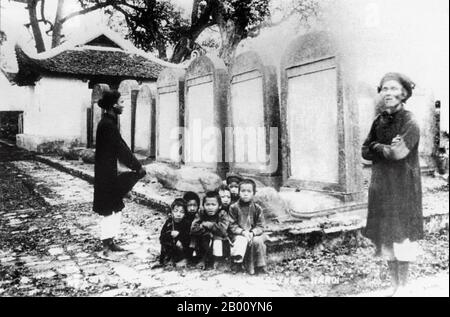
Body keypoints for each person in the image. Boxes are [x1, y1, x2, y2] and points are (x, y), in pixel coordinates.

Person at [362, 72, 423, 296]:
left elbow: (398, 153)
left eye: (393, 89)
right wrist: (381, 147)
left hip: (403, 188)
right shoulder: (379, 120)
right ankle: (394, 285)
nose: (388, 93)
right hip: (381, 188)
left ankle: (404, 287)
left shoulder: (410, 122)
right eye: (385, 89)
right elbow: (364, 151)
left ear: (404, 93)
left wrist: (378, 147)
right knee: (385, 235)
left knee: (402, 236)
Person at [93, 90, 146, 256]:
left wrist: (135, 165)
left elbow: (121, 146)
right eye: (121, 102)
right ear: (113, 105)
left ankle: (110, 240)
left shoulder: (109, 122)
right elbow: (120, 149)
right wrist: (137, 167)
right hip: (107, 173)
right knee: (109, 207)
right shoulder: (108, 124)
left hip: (108, 171)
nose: (123, 106)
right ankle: (106, 244)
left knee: (114, 206)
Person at [228, 179, 267, 275]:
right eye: (243, 191)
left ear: (253, 193)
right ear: (238, 192)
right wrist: (242, 232)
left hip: (252, 234)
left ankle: (260, 266)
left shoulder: (257, 208)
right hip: (239, 234)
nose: (245, 194)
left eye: (249, 191)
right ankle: (237, 263)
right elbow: (232, 225)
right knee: (241, 241)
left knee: (257, 241)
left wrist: (253, 232)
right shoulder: (233, 207)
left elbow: (261, 225)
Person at [190, 191, 229, 270]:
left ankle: (217, 260)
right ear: (203, 205)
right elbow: (193, 228)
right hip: (204, 240)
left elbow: (223, 230)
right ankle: (202, 259)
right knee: (203, 237)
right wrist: (207, 230)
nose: (210, 207)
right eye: (207, 204)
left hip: (220, 242)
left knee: (217, 239)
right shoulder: (201, 213)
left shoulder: (222, 214)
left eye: (213, 205)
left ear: (219, 206)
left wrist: (209, 225)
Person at [158, 198, 191, 267]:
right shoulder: (169, 222)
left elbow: (188, 237)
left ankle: (184, 259)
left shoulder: (186, 223)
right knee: (166, 241)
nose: (178, 214)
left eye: (182, 212)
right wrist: (170, 233)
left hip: (182, 248)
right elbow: (161, 237)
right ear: (172, 211)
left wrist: (179, 235)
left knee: (180, 244)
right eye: (176, 211)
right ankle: (167, 259)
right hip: (171, 246)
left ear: (185, 214)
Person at [182, 191, 201, 263]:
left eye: (195, 205)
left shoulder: (200, 217)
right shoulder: (182, 218)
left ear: (198, 206)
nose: (192, 208)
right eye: (189, 205)